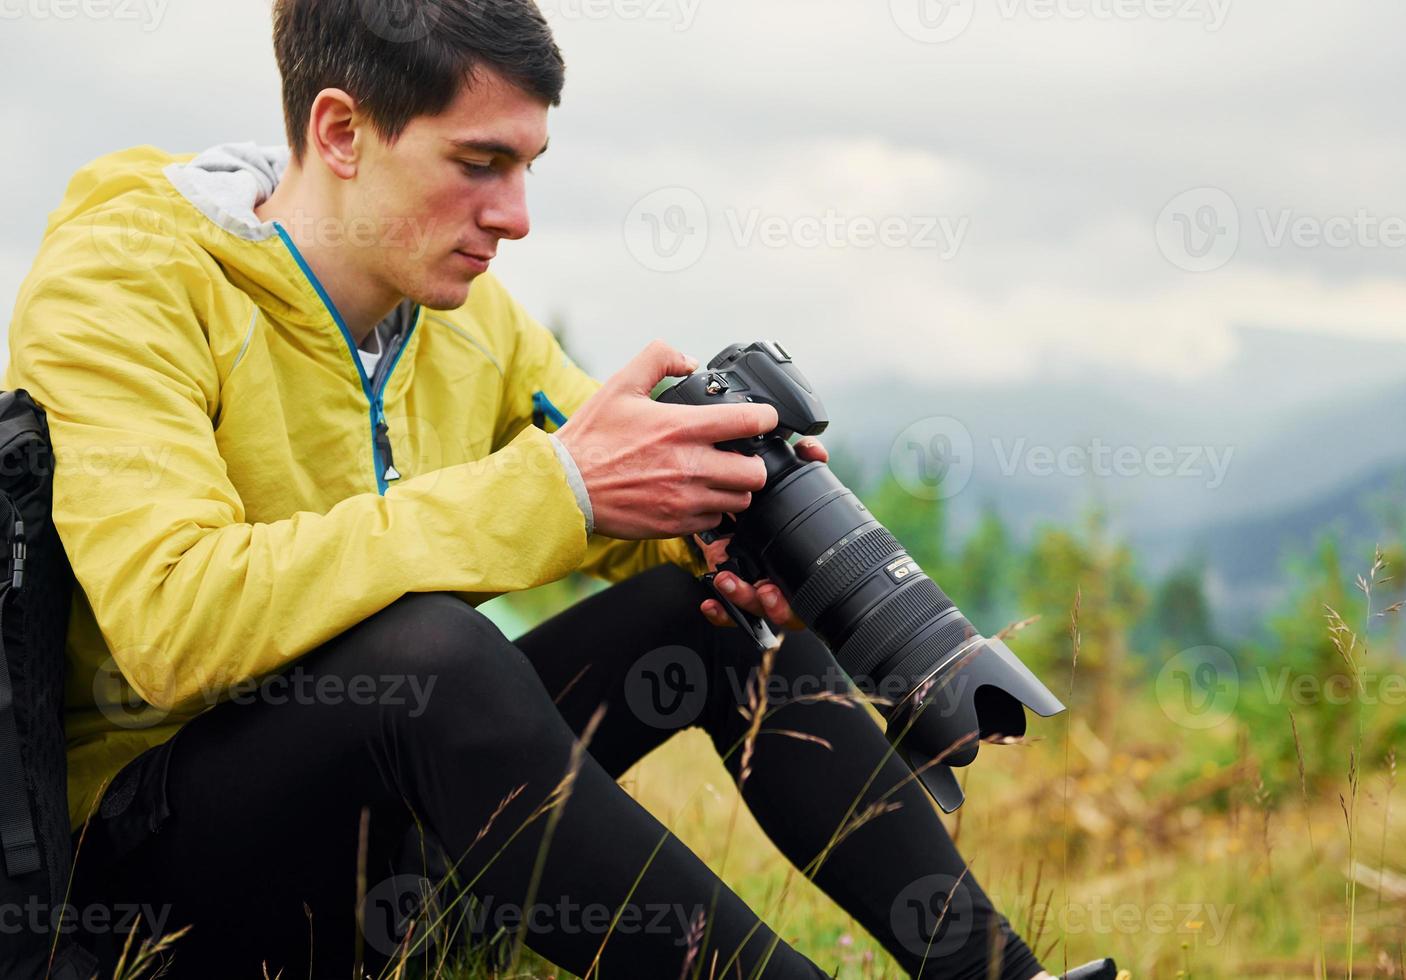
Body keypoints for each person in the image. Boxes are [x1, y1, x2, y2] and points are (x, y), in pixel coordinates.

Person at [5, 1, 1061, 976]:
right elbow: (170, 615)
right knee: (432, 653)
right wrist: (562, 486)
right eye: (478, 163)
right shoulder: (125, 280)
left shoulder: (467, 315)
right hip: (162, 882)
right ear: (339, 132)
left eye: (527, 166)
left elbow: (609, 488)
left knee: (705, 616)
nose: (513, 216)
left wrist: (725, 520)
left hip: (395, 836)